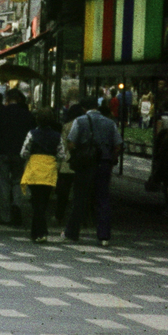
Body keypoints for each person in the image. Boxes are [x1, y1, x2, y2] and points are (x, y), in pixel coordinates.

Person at [62, 100, 122, 246]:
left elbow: (71, 143)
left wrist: (78, 153)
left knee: (80, 197)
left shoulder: (80, 121)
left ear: (84, 108)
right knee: (103, 198)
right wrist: (110, 159)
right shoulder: (109, 123)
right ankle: (104, 236)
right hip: (104, 163)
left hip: (85, 165)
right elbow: (118, 145)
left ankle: (72, 232)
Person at [0, 88, 35, 225]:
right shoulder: (27, 114)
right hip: (20, 153)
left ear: (7, 100)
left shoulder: (1, 112)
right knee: (18, 181)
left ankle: (5, 215)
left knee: (3, 182)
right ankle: (17, 204)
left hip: (2, 152)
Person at [20, 109, 65, 242]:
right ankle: (39, 232)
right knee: (43, 202)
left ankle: (39, 232)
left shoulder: (32, 133)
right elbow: (61, 154)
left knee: (36, 201)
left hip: (34, 168)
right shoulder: (57, 136)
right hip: (49, 170)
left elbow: (24, 152)